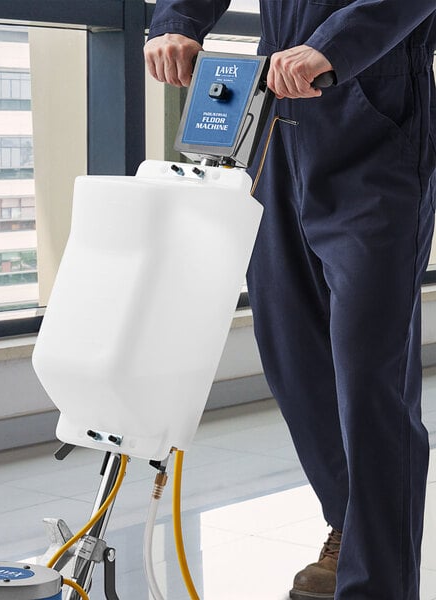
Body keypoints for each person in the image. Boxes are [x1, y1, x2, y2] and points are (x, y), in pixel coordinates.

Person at [145, 2, 436, 600]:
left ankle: (377, 582)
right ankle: (351, 527)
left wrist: (336, 45)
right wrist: (175, 21)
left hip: (375, 129)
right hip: (275, 130)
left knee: (368, 375)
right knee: (290, 354)